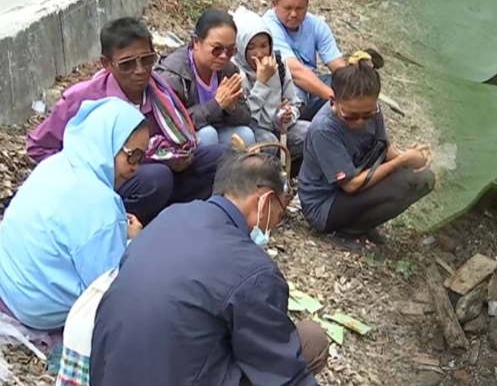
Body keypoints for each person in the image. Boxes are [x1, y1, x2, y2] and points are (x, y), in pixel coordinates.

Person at [90, 150, 330, 386]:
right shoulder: (252, 269)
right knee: (311, 340)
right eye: (280, 213)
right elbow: (283, 372)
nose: (276, 223)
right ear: (264, 201)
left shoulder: (170, 216)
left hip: (108, 371)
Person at [26, 17, 226, 225]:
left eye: (146, 60)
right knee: (156, 178)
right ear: (107, 64)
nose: (139, 70)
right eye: (127, 64)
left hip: (159, 174)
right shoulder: (83, 99)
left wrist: (175, 155)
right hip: (105, 185)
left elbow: (175, 139)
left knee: (218, 156)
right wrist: (90, 178)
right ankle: (119, 225)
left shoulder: (160, 92)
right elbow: (38, 148)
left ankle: (176, 220)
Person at [0, 97, 146, 335]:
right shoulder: (100, 205)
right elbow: (110, 288)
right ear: (105, 143)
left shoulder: (56, 164)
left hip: (8, 282)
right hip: (36, 308)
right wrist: (136, 242)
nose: (136, 168)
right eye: (133, 156)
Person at [298, 51, 435, 252]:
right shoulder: (324, 129)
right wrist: (401, 161)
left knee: (424, 179)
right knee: (403, 182)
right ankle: (345, 232)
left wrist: (413, 159)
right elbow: (351, 185)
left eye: (367, 114)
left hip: (351, 188)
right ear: (333, 100)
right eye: (351, 116)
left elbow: (382, 148)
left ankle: (361, 225)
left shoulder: (373, 111)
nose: (361, 121)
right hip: (324, 206)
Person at [156, 9, 256, 148]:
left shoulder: (228, 69)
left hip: (218, 129)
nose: (224, 56)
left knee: (246, 135)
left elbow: (245, 118)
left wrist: (231, 107)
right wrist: (216, 104)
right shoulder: (173, 75)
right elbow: (175, 123)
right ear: (196, 43)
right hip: (185, 138)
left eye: (230, 50)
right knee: (208, 135)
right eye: (217, 49)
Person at [231, 6, 310, 162]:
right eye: (251, 47)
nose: (259, 53)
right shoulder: (234, 71)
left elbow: (293, 102)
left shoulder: (278, 63)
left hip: (278, 126)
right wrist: (262, 82)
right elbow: (246, 117)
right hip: (252, 129)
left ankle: (292, 172)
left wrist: (287, 114)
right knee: (269, 142)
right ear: (240, 47)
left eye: (264, 46)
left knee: (311, 132)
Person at [264, 0, 346, 121]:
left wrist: (351, 89)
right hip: (284, 88)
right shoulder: (267, 27)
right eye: (288, 8)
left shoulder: (316, 25)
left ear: (307, 5)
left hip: (312, 87)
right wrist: (335, 98)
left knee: (343, 85)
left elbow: (339, 67)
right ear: (274, 4)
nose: (294, 14)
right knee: (296, 89)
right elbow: (295, 72)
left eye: (300, 8)